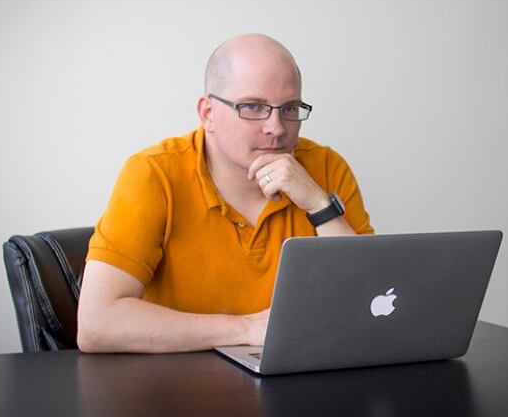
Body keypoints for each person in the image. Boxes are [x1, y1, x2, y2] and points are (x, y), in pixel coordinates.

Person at [77, 34, 373, 353]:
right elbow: (97, 324)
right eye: (253, 106)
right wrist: (247, 328)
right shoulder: (153, 173)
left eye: (289, 108)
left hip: (298, 376)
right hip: (178, 384)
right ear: (207, 114)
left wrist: (318, 204)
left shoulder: (326, 167)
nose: (276, 127)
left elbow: (374, 300)